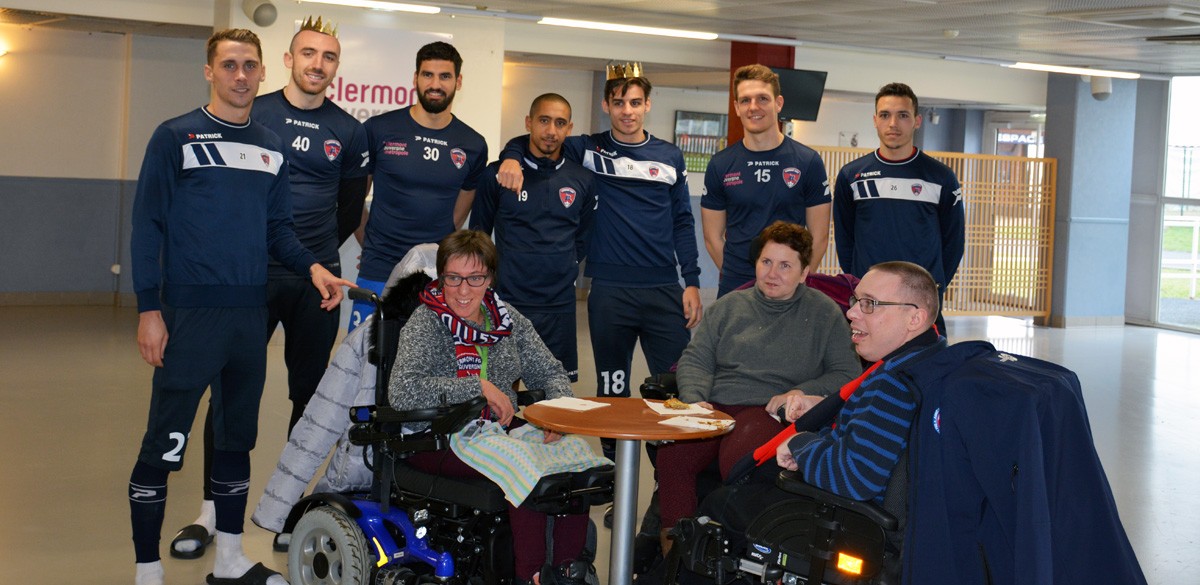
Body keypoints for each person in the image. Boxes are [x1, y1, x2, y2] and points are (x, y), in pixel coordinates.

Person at [127, 28, 349, 585]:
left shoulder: (270, 146)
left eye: (249, 65)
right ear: (210, 71)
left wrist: (314, 267)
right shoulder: (173, 136)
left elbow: (280, 231)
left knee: (236, 441)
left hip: (248, 321)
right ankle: (146, 569)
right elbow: (146, 227)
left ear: (262, 72)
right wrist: (148, 310)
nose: (240, 76)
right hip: (189, 317)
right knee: (165, 443)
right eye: (229, 65)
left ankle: (229, 560)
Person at [170, 16, 370, 558]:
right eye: (308, 53)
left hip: (315, 281)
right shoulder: (253, 111)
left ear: (336, 67)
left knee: (311, 400)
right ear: (287, 59)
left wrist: (310, 260)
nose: (317, 65)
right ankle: (211, 512)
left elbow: (349, 207)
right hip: (245, 278)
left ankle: (291, 508)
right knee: (230, 393)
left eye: (328, 57)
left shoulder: (349, 131)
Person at [685, 261, 945, 573]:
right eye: (855, 301)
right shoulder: (926, 362)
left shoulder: (891, 384)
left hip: (849, 524)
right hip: (870, 514)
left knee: (721, 504)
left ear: (914, 318)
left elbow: (854, 478)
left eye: (870, 304)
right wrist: (821, 408)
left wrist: (802, 443)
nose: (852, 313)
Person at [389, 230, 607, 585]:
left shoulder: (507, 320)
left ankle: (568, 571)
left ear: (490, 279)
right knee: (527, 467)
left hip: (497, 430)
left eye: (475, 279)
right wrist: (478, 387)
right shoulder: (425, 323)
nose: (463, 290)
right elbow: (402, 391)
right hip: (438, 437)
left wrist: (555, 414)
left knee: (575, 456)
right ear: (441, 276)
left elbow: (551, 371)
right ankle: (531, 576)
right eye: (453, 278)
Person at [497, 63, 702, 407]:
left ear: (647, 105)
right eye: (619, 103)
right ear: (606, 106)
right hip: (609, 291)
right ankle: (611, 458)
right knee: (612, 389)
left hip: (664, 289)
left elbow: (682, 220)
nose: (627, 111)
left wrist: (692, 280)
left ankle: (670, 460)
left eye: (635, 103)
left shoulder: (669, 156)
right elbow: (539, 138)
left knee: (677, 385)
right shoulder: (586, 149)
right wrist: (511, 158)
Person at [655, 221, 861, 554]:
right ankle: (676, 554)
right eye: (766, 262)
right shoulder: (728, 307)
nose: (772, 273)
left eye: (785, 265)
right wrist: (695, 401)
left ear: (805, 271)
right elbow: (695, 360)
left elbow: (846, 372)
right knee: (672, 455)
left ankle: (728, 554)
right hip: (716, 407)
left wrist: (800, 392)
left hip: (768, 411)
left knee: (740, 462)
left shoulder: (824, 313)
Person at [351, 41, 488, 331]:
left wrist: (428, 254)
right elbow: (355, 199)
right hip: (378, 266)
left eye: (445, 76)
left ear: (458, 81)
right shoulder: (378, 129)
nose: (435, 84)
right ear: (415, 78)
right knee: (365, 357)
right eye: (427, 75)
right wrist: (372, 244)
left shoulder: (473, 144)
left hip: (434, 272)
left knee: (423, 361)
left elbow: (457, 214)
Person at [470, 93, 595, 382]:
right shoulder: (498, 175)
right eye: (544, 120)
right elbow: (479, 237)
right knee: (502, 392)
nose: (551, 131)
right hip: (507, 302)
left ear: (569, 128)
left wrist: (562, 266)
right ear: (528, 122)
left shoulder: (583, 180)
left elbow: (584, 237)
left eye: (560, 123)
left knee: (555, 395)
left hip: (559, 306)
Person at [832, 82, 963, 334]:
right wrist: (859, 282)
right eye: (885, 115)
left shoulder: (941, 177)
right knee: (869, 368)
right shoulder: (852, 175)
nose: (893, 123)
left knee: (925, 369)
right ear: (875, 120)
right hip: (869, 299)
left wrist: (933, 286)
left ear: (917, 121)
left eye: (902, 115)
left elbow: (953, 242)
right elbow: (845, 237)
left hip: (920, 300)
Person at [702, 64, 831, 297]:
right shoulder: (720, 164)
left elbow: (819, 236)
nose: (754, 107)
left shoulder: (807, 161)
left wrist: (795, 276)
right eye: (745, 100)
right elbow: (712, 237)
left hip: (789, 287)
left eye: (762, 99)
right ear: (737, 108)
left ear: (778, 103)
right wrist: (745, 276)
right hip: (737, 285)